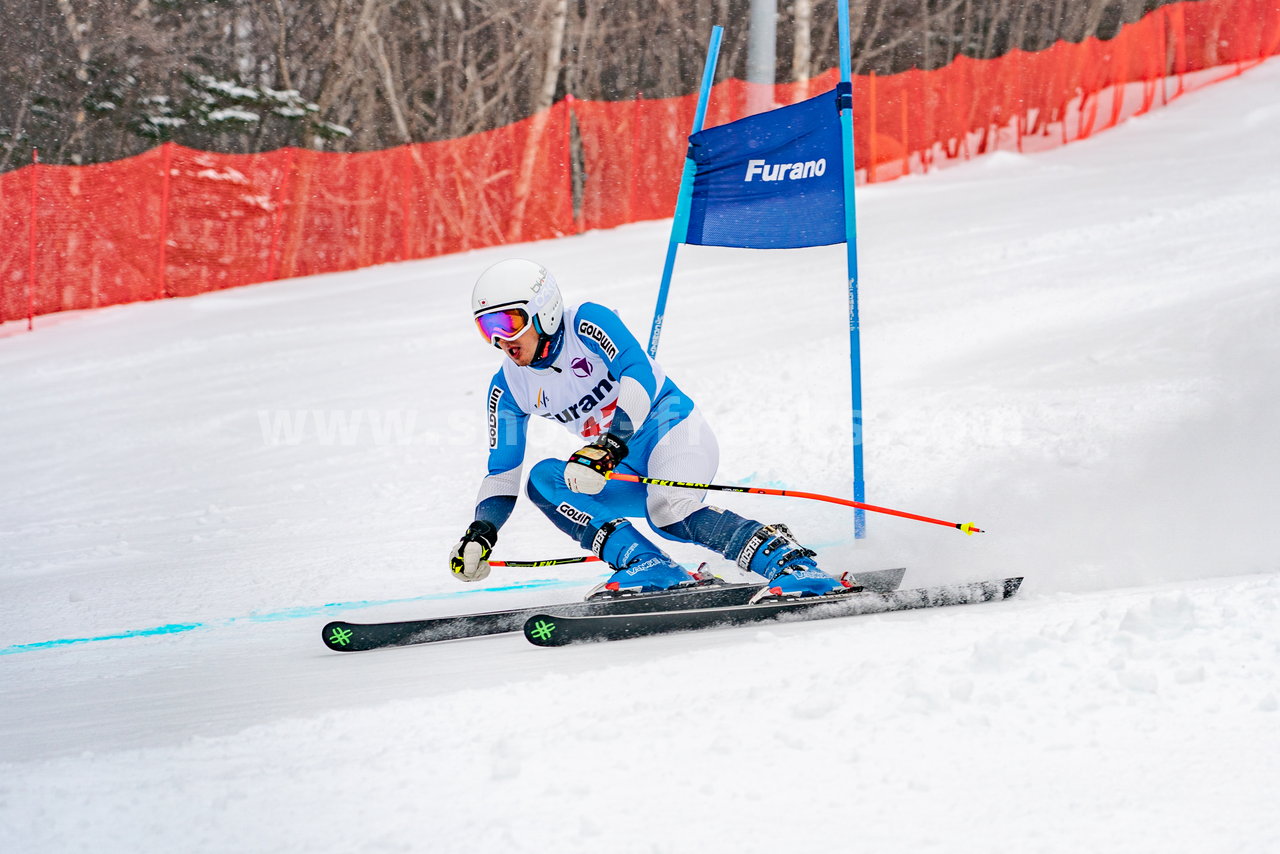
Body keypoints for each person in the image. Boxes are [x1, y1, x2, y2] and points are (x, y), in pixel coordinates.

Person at [448, 258, 852, 601]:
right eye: (487, 328)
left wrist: (608, 445)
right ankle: (648, 565)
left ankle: (795, 566)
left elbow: (638, 373)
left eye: (508, 322)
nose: (501, 339)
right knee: (544, 480)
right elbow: (502, 472)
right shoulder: (507, 387)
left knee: (668, 511)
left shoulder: (588, 322)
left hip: (674, 433)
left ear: (544, 310)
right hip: (619, 465)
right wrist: (481, 531)